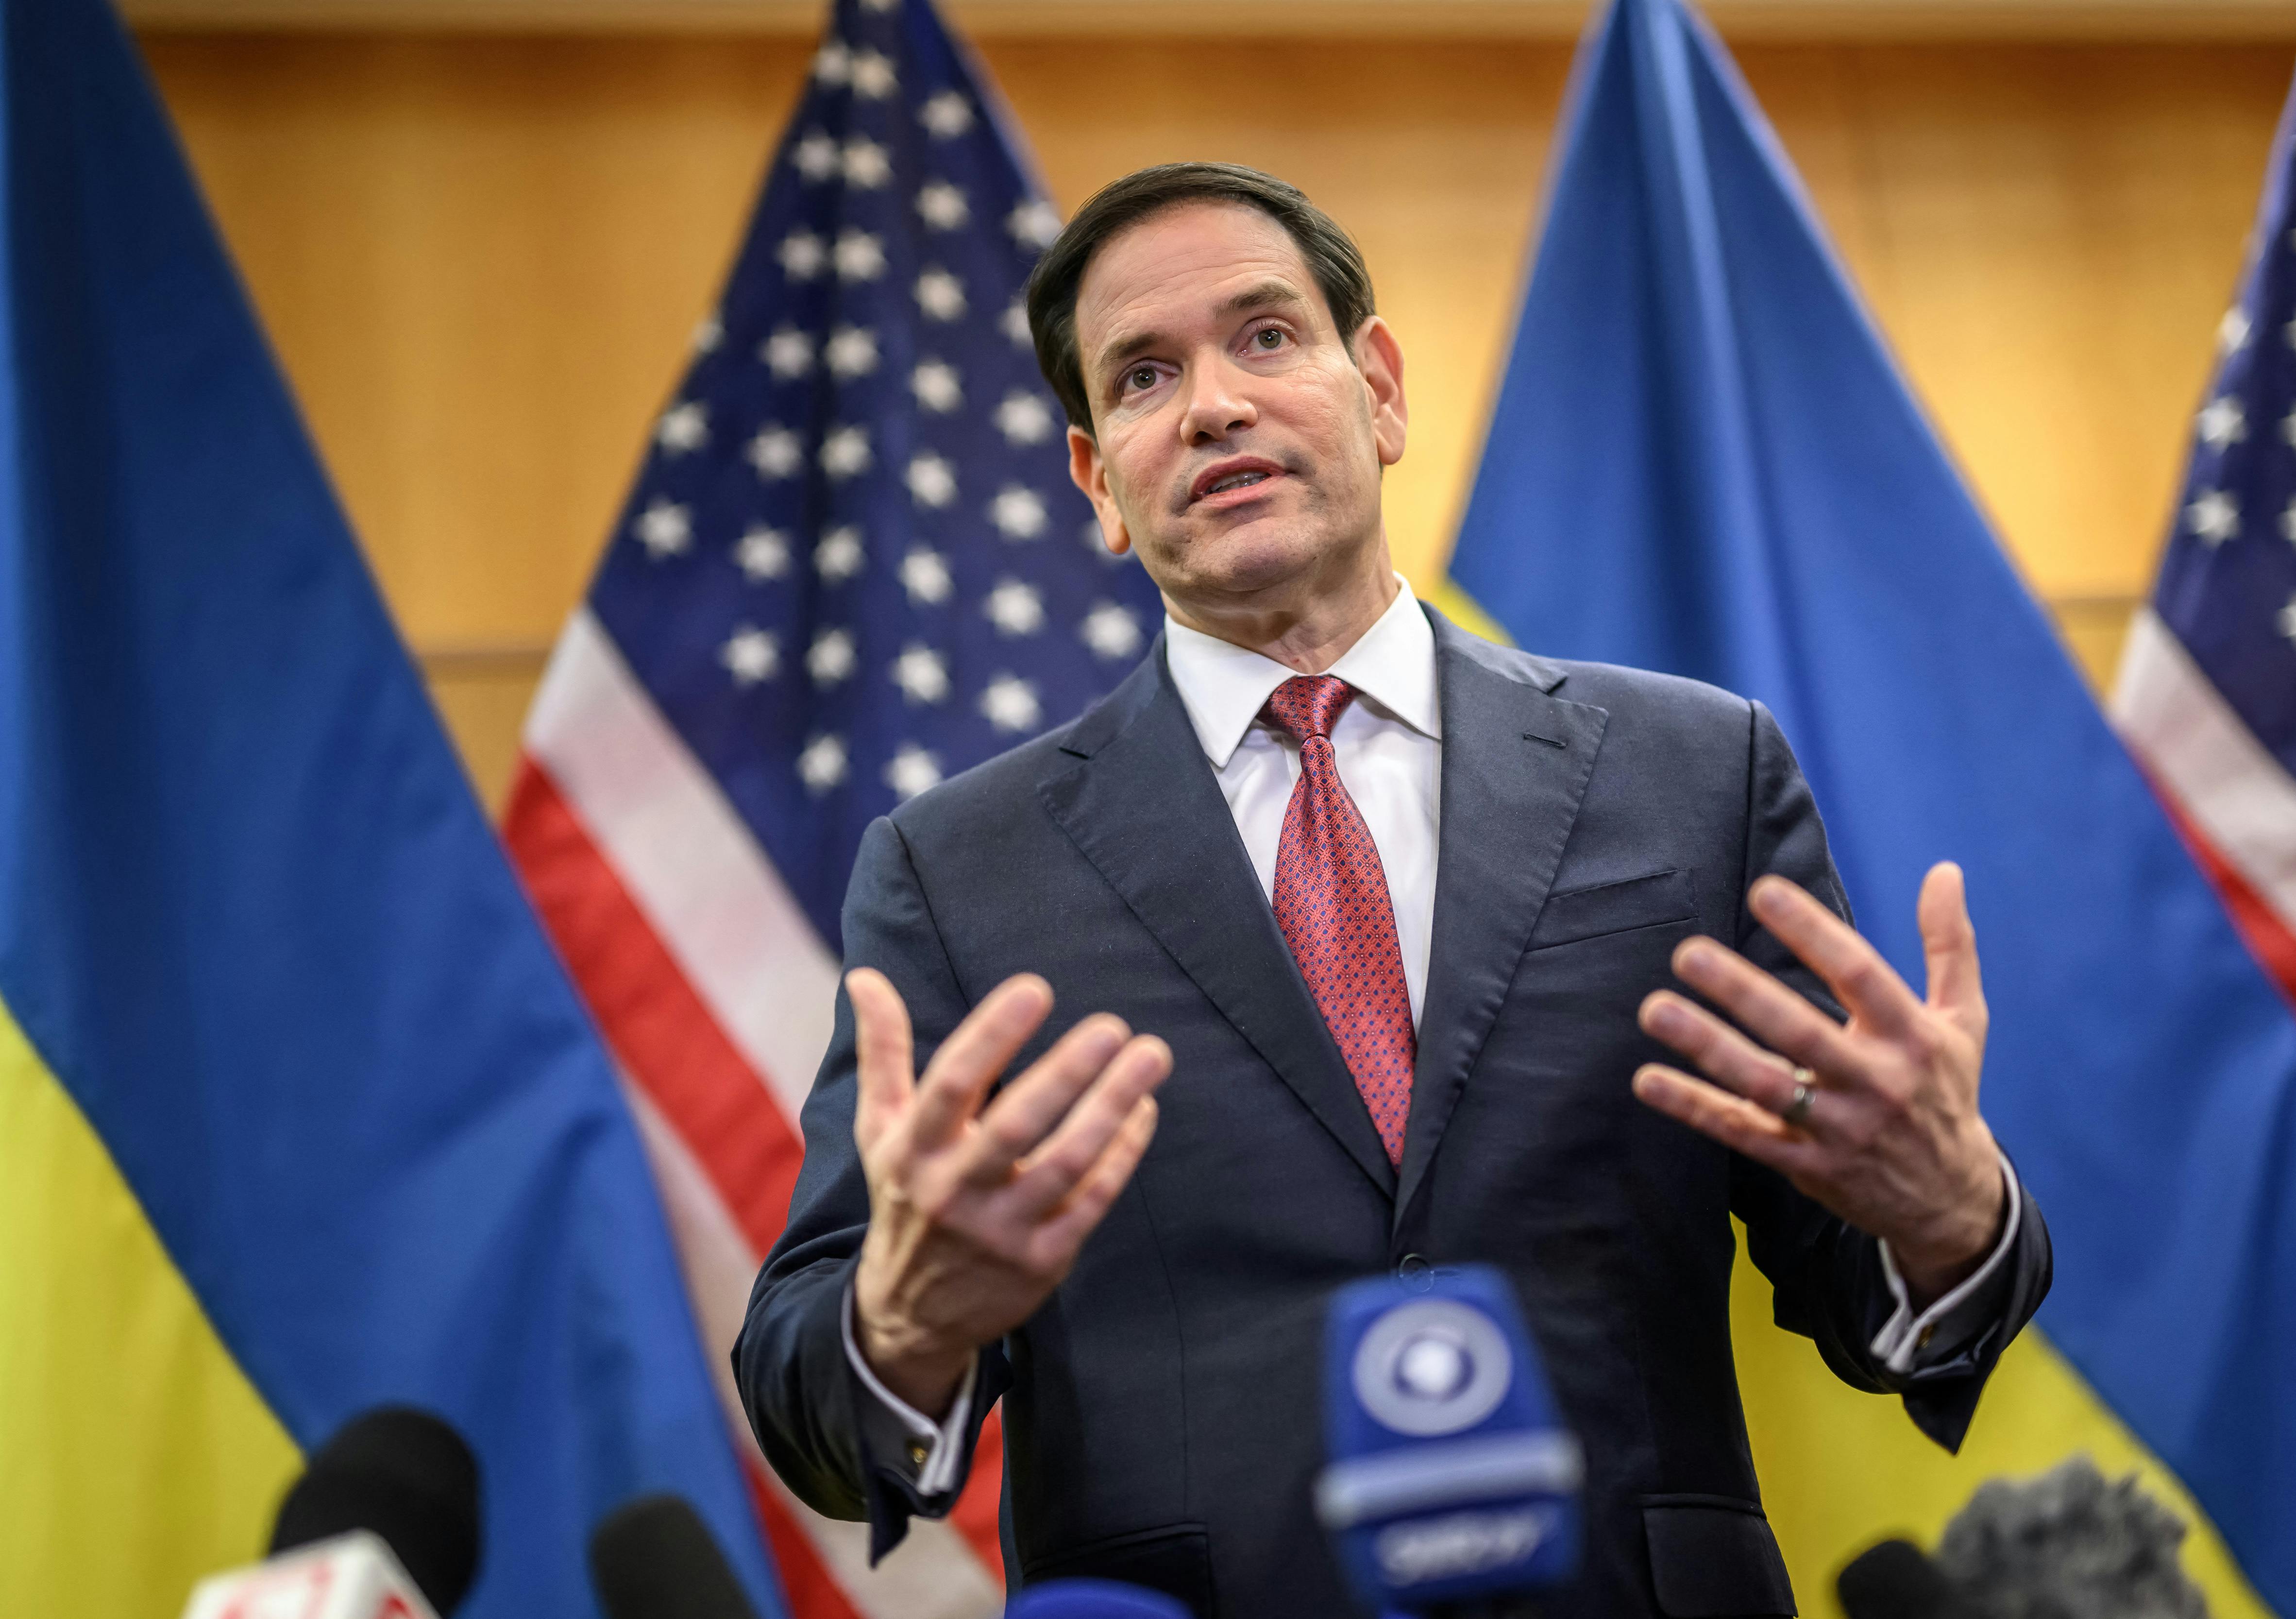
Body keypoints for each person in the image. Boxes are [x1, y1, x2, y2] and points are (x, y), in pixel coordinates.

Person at [735, 162, 2052, 1617]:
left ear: (1382, 390)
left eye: (1267, 337)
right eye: (1145, 376)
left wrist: (1947, 1209)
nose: (1215, 405)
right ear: (1100, 483)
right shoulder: (956, 869)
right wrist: (900, 1322)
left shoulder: (1693, 772)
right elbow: (813, 1378)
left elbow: (1870, 1286)